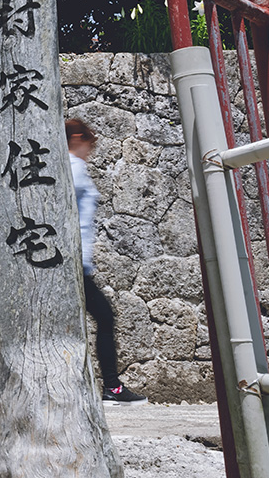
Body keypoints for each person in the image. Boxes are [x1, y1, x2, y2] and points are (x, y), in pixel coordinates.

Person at [67, 117, 148, 406]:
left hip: (75, 263)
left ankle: (105, 385)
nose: (91, 149)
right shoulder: (73, 168)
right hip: (73, 265)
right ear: (78, 137)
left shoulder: (72, 167)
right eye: (90, 143)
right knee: (105, 316)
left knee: (97, 318)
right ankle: (111, 386)